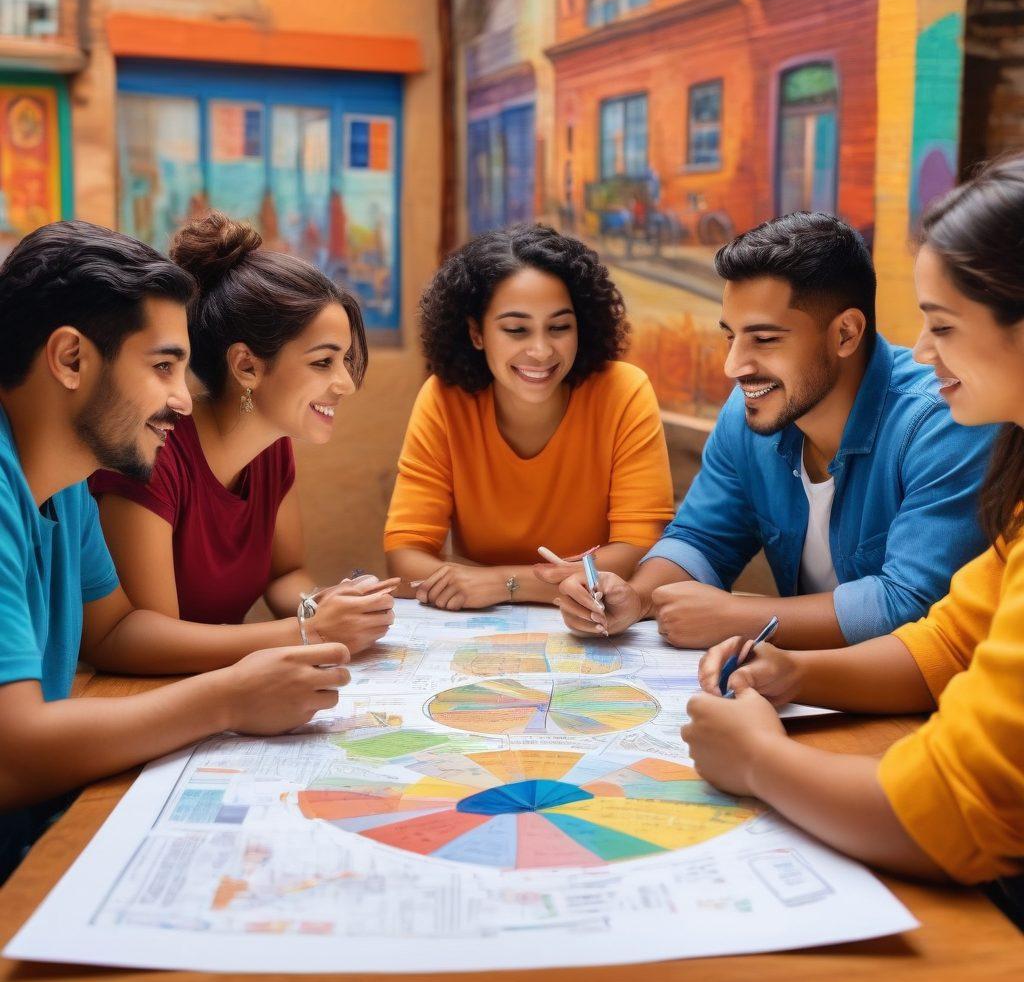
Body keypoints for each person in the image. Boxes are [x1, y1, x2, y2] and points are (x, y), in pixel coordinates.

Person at [684, 156, 1024, 915]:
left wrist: (759, 760)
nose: (924, 351)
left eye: (943, 326)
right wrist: (795, 674)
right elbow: (949, 641)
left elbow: (955, 813)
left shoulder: (934, 420)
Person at [0, 221, 348, 883]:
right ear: (70, 359)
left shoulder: (67, 484)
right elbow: (11, 754)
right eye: (163, 367)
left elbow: (116, 629)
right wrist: (228, 699)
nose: (184, 400)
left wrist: (275, 651)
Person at [556, 212, 997, 649]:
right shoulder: (748, 413)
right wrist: (635, 597)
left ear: (845, 334)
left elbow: (913, 604)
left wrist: (740, 618)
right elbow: (701, 539)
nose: (733, 366)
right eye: (731, 337)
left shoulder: (943, 423)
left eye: (764, 340)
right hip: (801, 684)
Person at [91, 211, 395, 656]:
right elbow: (149, 641)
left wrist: (326, 605)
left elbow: (285, 575)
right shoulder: (152, 454)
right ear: (247, 366)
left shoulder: (273, 450)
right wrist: (308, 631)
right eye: (323, 362)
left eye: (345, 360)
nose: (346, 383)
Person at [384, 224, 674, 610]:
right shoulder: (444, 400)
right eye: (517, 329)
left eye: (559, 327)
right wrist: (553, 583)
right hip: (478, 626)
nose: (541, 350)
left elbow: (639, 554)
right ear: (476, 333)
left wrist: (503, 584)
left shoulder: (624, 392)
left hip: (597, 623)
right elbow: (405, 559)